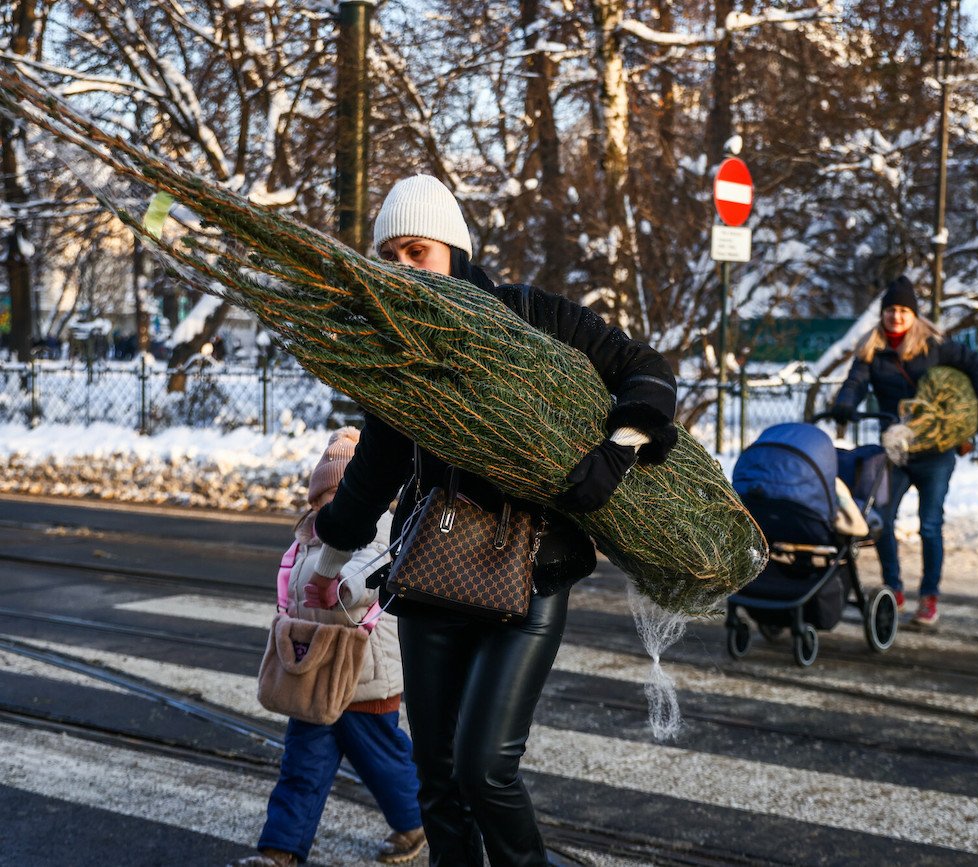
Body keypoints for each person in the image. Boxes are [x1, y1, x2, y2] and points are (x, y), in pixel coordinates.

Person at [306, 174, 679, 866]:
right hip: (430, 576)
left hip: (532, 575)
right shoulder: (400, 355)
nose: (404, 270)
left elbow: (645, 369)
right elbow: (377, 465)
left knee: (485, 768)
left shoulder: (531, 318)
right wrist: (328, 561)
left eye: (417, 251)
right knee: (438, 781)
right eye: (389, 257)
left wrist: (617, 450)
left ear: (453, 249)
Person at [231, 427, 426, 867]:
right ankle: (279, 850)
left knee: (382, 761)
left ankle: (416, 821)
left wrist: (342, 586)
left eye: (337, 497)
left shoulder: (377, 528)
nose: (327, 509)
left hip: (365, 672)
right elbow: (294, 590)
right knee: (302, 764)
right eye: (321, 499)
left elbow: (371, 573)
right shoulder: (307, 537)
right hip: (316, 668)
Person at [829, 277, 978, 628]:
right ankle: (893, 588)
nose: (896, 316)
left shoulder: (934, 345)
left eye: (904, 310)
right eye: (891, 310)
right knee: (882, 519)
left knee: (930, 525)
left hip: (936, 451)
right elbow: (856, 382)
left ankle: (929, 596)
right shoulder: (871, 348)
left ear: (914, 315)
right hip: (897, 449)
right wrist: (845, 404)